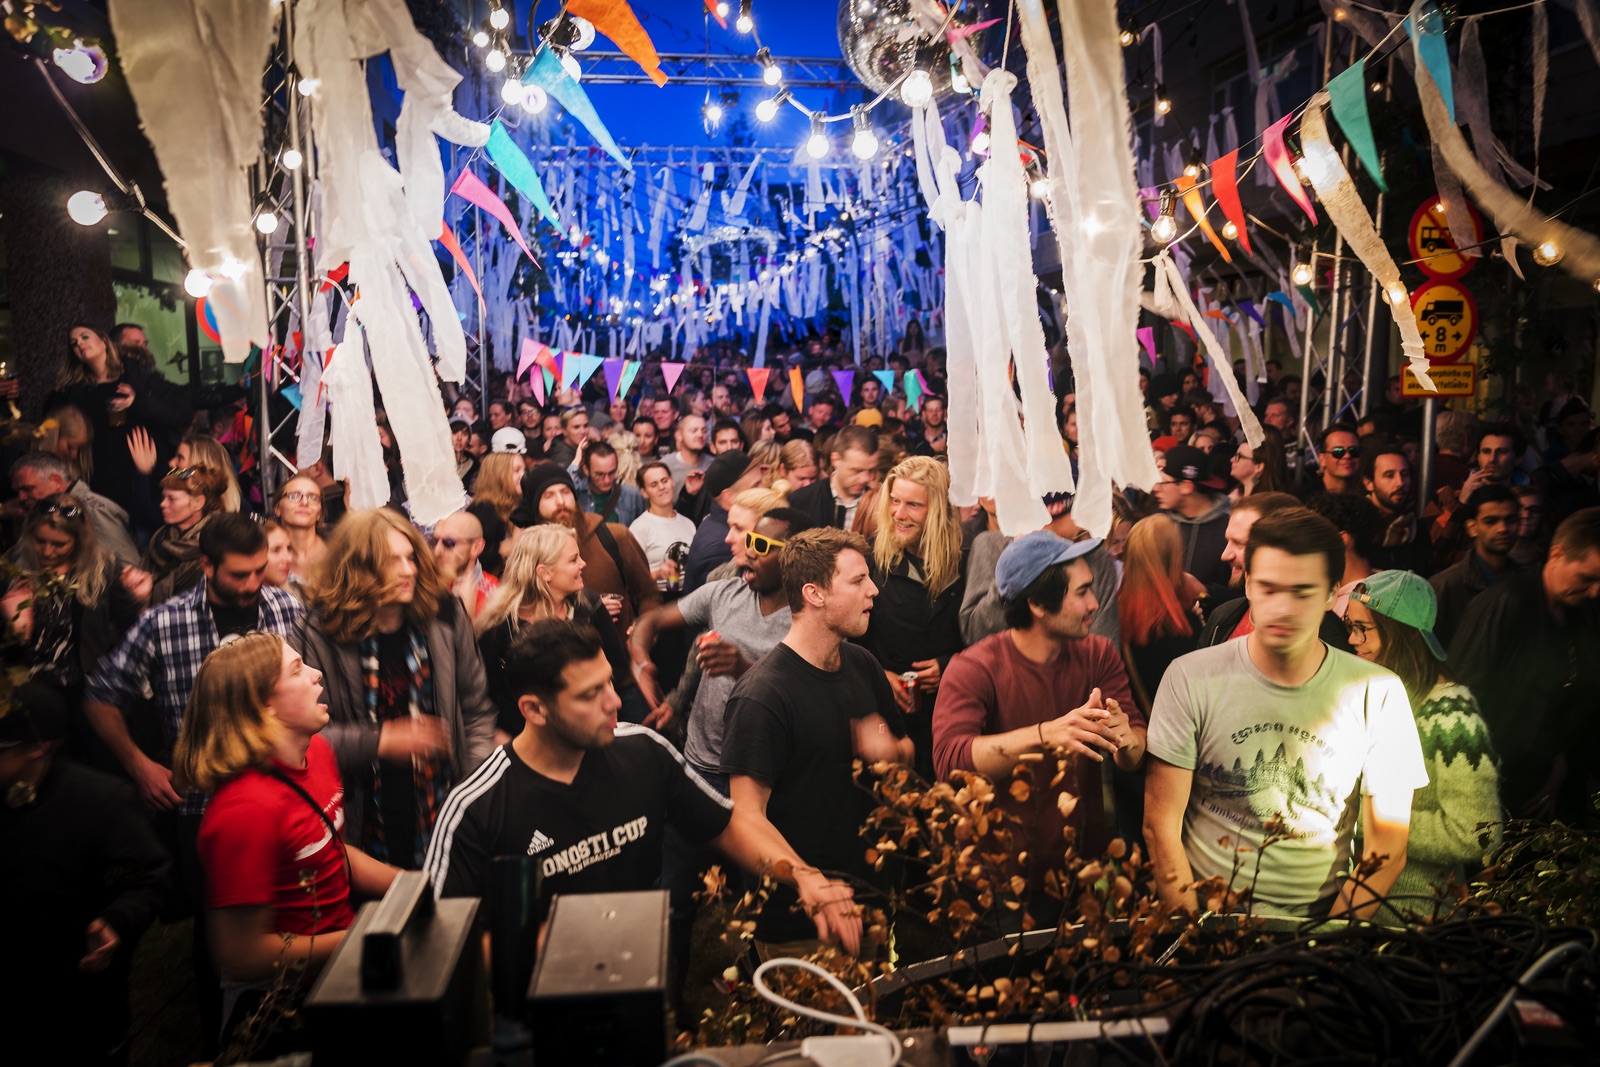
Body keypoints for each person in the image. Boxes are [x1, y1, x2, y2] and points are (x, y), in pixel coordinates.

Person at [423, 620, 860, 953]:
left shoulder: (644, 751)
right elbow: (443, 942)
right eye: (590, 693)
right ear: (534, 710)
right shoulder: (476, 808)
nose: (614, 700)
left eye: (610, 681)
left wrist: (804, 876)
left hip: (642, 982)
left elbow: (727, 824)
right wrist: (566, 945)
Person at [1144, 507, 1427, 919]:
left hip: (1319, 924)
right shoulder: (1190, 677)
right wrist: (1192, 936)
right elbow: (1159, 827)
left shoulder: (1379, 693)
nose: (1282, 608)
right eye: (1269, 588)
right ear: (1248, 585)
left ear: (1333, 593)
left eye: (1302, 592)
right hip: (1207, 920)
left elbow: (1387, 849)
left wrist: (1327, 944)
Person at [175, 634, 399, 1054]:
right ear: (261, 706)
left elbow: (328, 850)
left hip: (337, 974)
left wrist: (412, 886)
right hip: (280, 1006)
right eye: (298, 670)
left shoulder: (316, 752)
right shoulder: (244, 811)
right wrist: (365, 937)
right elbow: (241, 956)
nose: (317, 675)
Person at [720, 528, 912, 950]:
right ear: (815, 594)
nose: (874, 591)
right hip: (803, 924)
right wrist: (809, 882)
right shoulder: (763, 697)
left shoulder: (862, 664)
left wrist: (892, 751)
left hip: (872, 902)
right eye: (858, 581)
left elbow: (906, 751)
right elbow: (745, 818)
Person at [292, 510, 498, 869]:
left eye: (411, 557)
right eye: (391, 561)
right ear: (357, 568)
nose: (409, 570)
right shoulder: (318, 631)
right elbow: (302, 738)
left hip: (441, 808)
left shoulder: (443, 615)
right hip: (361, 820)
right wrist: (381, 741)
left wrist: (470, 791)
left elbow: (476, 709)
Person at [934, 532, 1144, 872]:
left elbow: (1134, 753)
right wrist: (1046, 735)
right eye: (1081, 592)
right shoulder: (973, 668)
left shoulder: (1098, 654)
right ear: (1038, 604)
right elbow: (950, 762)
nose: (1094, 603)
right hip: (1001, 875)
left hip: (1082, 869)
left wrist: (1128, 740)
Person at [3, 688, 171, 1067]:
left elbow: (150, 876)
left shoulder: (100, 801)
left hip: (78, 1005)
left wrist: (115, 921)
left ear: (37, 747)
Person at [1343, 572, 1502, 904]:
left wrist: (1367, 822)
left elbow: (1477, 834)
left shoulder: (1453, 715)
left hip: (1411, 918)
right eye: (1350, 626)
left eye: (1363, 629)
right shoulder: (1372, 692)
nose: (1352, 640)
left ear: (1399, 633)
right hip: (1353, 904)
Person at [1448, 507, 1600, 822]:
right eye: (1587, 577)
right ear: (1557, 554)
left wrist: (1559, 763)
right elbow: (1460, 693)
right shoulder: (1507, 603)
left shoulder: (1582, 612)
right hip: (1489, 787)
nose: (1595, 590)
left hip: (1544, 785)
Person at [475, 524, 650, 738]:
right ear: (544, 572)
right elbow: (484, 695)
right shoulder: (501, 626)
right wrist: (498, 735)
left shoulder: (589, 606)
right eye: (573, 559)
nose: (583, 564)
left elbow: (618, 674)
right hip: (528, 744)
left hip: (591, 733)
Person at [860, 457, 967, 780]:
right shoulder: (871, 561)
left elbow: (987, 643)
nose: (898, 514)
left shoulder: (967, 564)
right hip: (888, 721)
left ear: (938, 511)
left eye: (913, 505)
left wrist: (949, 666)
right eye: (894, 501)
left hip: (952, 716)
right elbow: (849, 640)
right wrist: (881, 674)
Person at [1, 495, 142, 726]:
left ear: (79, 540)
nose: (47, 552)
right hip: (29, 696)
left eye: (59, 544)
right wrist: (11, 618)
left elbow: (130, 628)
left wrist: (140, 600)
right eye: (40, 541)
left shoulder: (104, 569)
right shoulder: (13, 568)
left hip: (86, 694)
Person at [44, 324, 190, 517]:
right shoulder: (70, 393)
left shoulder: (137, 378)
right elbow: (51, 432)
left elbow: (181, 413)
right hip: (99, 476)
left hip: (143, 473)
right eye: (74, 343)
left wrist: (138, 401)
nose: (79, 343)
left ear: (104, 341)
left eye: (85, 337)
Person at [513, 463, 660, 631]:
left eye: (565, 491)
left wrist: (641, 633)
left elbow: (649, 594)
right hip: (560, 653)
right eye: (548, 496)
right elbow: (522, 611)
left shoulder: (614, 536)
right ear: (534, 506)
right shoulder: (529, 554)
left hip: (619, 653)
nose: (561, 502)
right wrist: (589, 611)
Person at [1428, 484, 1521, 647]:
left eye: (1510, 520)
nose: (1503, 529)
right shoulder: (1446, 586)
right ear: (1472, 528)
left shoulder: (1525, 581)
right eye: (1491, 521)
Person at [9, 451, 139, 566]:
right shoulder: (43, 511)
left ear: (55, 481)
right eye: (18, 491)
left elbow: (127, 568)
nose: (21, 497)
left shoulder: (93, 510)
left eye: (27, 489)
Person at [125, 464, 226, 607]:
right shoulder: (161, 538)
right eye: (163, 497)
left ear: (198, 503)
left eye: (171, 499)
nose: (162, 504)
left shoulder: (214, 547)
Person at [1151, 445, 1232, 602]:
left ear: (1186, 487)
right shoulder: (1156, 521)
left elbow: (1240, 593)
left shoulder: (1229, 528)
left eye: (1163, 482)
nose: (1155, 488)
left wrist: (1204, 591)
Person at [682, 451, 768, 593]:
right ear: (730, 497)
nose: (764, 489)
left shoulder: (717, 524)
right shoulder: (724, 544)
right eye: (756, 485)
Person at [1304, 491, 1383, 617]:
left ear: (1341, 540)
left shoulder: (1355, 610)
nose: (1305, 544)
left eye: (1313, 534)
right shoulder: (1385, 583)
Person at [1361, 441, 1434, 575]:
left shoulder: (1418, 531)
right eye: (1389, 475)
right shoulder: (1356, 529)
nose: (1400, 483)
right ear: (1369, 483)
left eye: (1405, 474)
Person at [788, 425, 878, 531]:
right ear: (835, 460)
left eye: (871, 470)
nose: (865, 478)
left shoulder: (882, 502)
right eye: (857, 471)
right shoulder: (800, 501)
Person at [629, 461, 697, 593]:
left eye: (664, 481)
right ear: (644, 492)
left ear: (672, 482)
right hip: (657, 601)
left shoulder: (688, 524)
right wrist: (658, 573)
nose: (661, 487)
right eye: (654, 485)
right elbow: (631, 579)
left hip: (689, 599)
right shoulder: (639, 528)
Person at [431, 510, 497, 623]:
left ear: (477, 547)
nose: (437, 551)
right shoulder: (425, 580)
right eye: (434, 541)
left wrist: (468, 618)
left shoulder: (492, 594)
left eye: (449, 543)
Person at [467, 451, 525, 578]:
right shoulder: (485, 507)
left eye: (524, 469)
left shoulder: (514, 506)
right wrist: (501, 548)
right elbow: (470, 553)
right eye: (516, 470)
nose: (523, 475)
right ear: (498, 475)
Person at [575, 440, 645, 527]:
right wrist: (575, 464)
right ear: (586, 470)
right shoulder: (576, 494)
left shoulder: (632, 496)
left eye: (612, 473)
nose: (607, 480)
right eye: (599, 474)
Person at [273, 474, 327, 586]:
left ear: (320, 514)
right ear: (277, 508)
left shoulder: (338, 546)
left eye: (313, 498)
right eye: (293, 496)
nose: (304, 503)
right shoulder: (265, 552)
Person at [171, 434, 245, 514]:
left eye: (180, 458)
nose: (171, 463)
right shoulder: (169, 504)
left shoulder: (242, 514)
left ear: (201, 465)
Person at [661, 413, 712, 495]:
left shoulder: (712, 465)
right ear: (679, 436)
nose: (700, 435)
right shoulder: (665, 467)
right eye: (694, 431)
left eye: (704, 431)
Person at [1311, 425, 1363, 496]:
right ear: (1322, 459)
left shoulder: (1368, 495)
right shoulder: (1305, 498)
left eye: (1353, 451)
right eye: (1338, 451)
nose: (1347, 456)